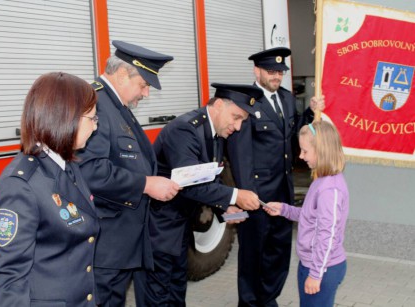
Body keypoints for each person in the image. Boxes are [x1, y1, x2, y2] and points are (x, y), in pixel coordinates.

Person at [76, 40, 180, 307]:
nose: (145, 94)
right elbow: (90, 170)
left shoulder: (115, 105)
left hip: (121, 242)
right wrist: (145, 184)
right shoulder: (95, 104)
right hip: (106, 245)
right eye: (144, 85)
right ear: (122, 74)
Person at [145, 83, 264, 306]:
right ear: (218, 105)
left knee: (177, 288)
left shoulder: (215, 131)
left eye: (242, 121)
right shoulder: (185, 130)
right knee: (159, 293)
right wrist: (235, 195)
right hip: (159, 228)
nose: (238, 127)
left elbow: (210, 177)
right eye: (236, 117)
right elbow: (190, 184)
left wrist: (225, 207)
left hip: (179, 225)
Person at [0, 72, 99, 306]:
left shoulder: (65, 164)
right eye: (92, 118)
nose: (95, 127)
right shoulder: (19, 186)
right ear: (66, 118)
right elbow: (8, 282)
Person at [226, 47, 325, 307]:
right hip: (256, 194)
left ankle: (268, 299)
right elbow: (240, 155)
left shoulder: (287, 99)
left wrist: (312, 113)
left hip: (283, 190)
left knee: (279, 251)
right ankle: (249, 303)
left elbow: (294, 138)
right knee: (252, 254)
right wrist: (246, 194)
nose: (277, 76)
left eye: (280, 72)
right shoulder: (246, 102)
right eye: (271, 71)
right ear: (256, 70)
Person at [263, 120, 349, 307]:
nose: (301, 156)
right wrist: (284, 210)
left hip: (322, 269)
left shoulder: (329, 189)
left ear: (322, 150)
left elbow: (328, 234)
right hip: (312, 264)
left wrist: (316, 274)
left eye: (305, 151)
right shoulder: (321, 180)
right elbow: (311, 216)